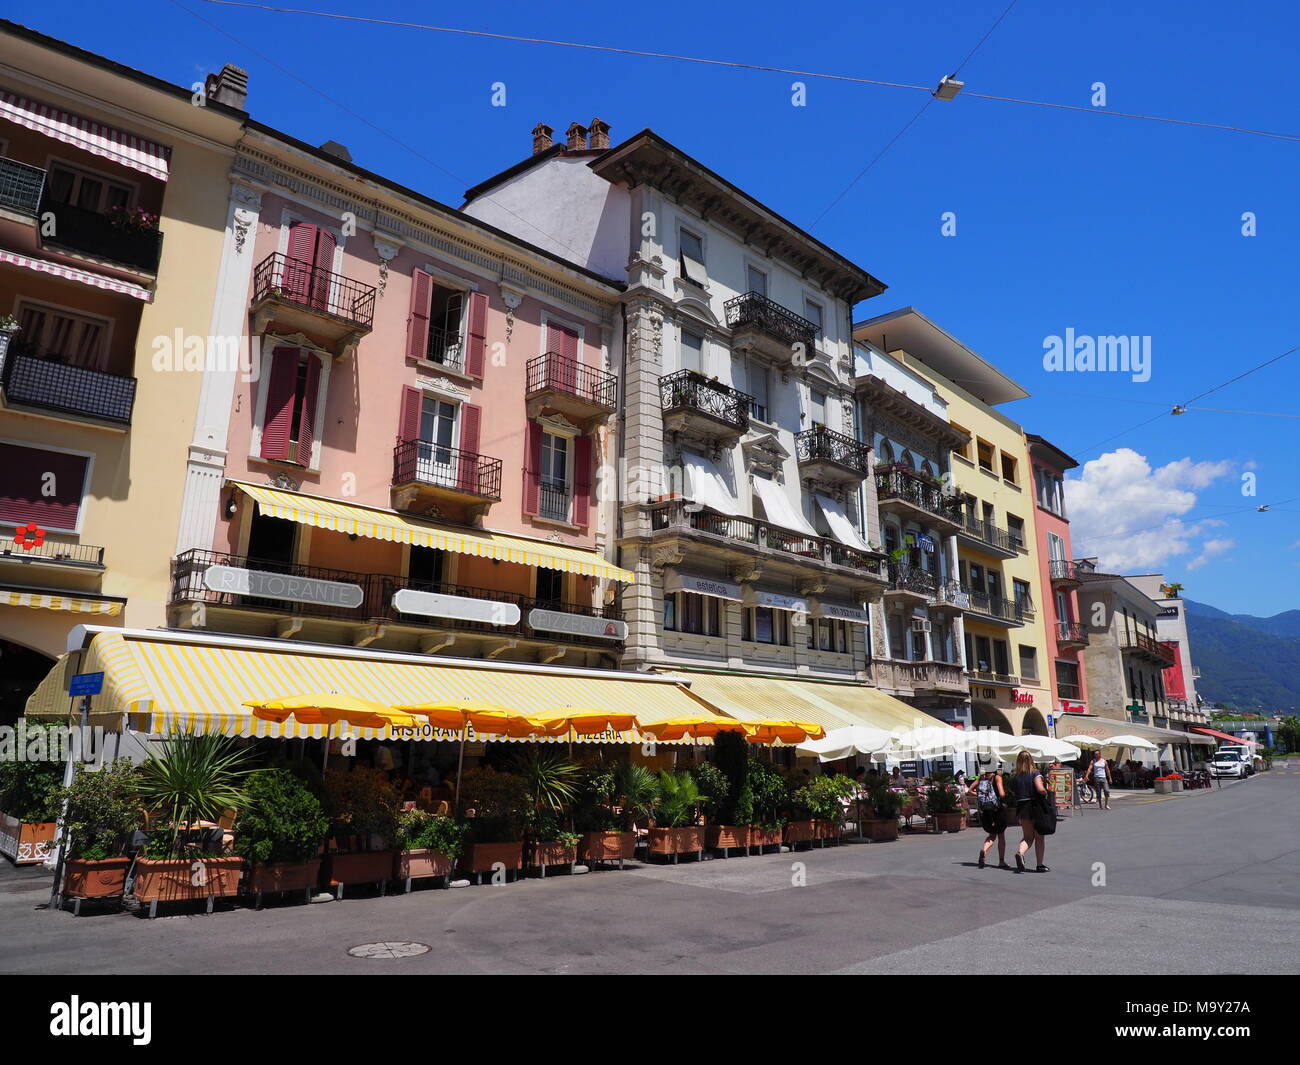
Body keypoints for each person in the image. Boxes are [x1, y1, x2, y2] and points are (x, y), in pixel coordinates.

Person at [1011, 750, 1049, 873]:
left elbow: (1013, 792)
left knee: (1027, 836)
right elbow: (1040, 788)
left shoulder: (1015, 776)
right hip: (1034, 807)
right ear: (1031, 760)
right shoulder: (1035, 773)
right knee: (1039, 837)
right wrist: (1045, 791)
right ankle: (1040, 864)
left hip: (1022, 807)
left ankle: (1020, 853)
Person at [972, 769, 1010, 869]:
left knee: (992, 835)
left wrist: (983, 797)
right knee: (1001, 835)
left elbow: (970, 790)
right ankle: (1001, 861)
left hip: (985, 810)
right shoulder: (997, 778)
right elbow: (1001, 794)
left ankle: (984, 850)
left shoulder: (981, 778)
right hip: (997, 810)